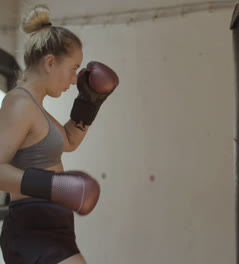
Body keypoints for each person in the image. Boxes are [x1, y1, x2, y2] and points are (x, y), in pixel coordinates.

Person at [0, 4, 119, 264]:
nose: (75, 79)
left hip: (53, 224)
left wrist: (90, 103)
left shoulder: (35, 105)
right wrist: (54, 187)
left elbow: (69, 141)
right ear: (50, 62)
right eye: (73, 68)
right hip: (32, 228)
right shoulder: (19, 104)